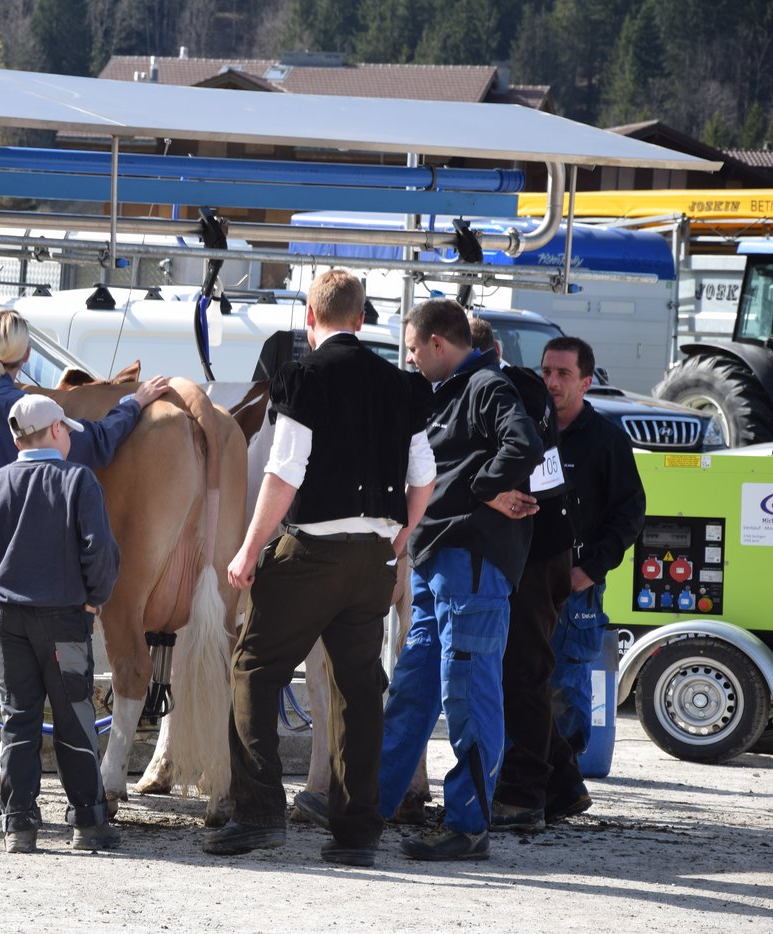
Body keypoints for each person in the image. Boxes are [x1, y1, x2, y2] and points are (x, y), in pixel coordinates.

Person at [202, 269, 436, 867]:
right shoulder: (402, 385)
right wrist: (400, 537)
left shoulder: (301, 375)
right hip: (373, 559)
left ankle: (258, 815)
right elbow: (423, 475)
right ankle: (357, 833)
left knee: (254, 667)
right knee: (359, 689)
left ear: (311, 316)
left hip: (313, 552)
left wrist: (250, 550)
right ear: (362, 318)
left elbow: (285, 472)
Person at [0, 309, 169, 822]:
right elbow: (96, 444)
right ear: (26, 355)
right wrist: (133, 403)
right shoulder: (23, 407)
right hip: (7, 560)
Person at [377, 298, 545, 861]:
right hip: (435, 564)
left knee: (467, 696)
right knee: (413, 690)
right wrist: (478, 484)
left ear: (437, 344)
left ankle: (468, 826)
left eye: (411, 348)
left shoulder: (486, 387)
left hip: (470, 564)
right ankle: (370, 806)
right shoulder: (444, 392)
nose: (408, 358)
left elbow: (523, 442)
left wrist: (481, 488)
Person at [0, 394, 124, 854]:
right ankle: (88, 824)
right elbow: (101, 552)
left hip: (9, 623)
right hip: (66, 621)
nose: (69, 434)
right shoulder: (78, 481)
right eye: (66, 428)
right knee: (74, 718)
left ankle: (19, 826)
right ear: (54, 431)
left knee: (18, 721)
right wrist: (95, 599)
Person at [470, 319, 579, 833]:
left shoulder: (499, 390)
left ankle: (525, 796)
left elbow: (529, 468)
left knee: (523, 675)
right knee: (525, 674)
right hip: (545, 547)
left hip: (535, 552)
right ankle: (563, 785)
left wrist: (481, 490)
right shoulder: (525, 387)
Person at [540, 336, 645, 822]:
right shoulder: (528, 430)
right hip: (528, 581)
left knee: (566, 682)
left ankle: (563, 784)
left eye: (563, 374)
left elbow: (630, 515)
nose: (552, 382)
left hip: (579, 584)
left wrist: (591, 569)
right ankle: (529, 782)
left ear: (586, 381)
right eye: (546, 371)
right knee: (520, 682)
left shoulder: (606, 440)